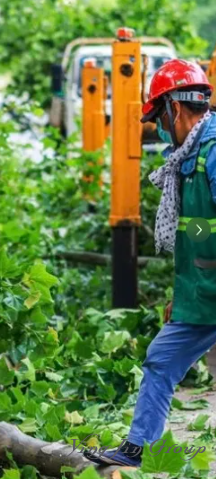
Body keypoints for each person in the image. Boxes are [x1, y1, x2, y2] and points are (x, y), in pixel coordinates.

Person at [85, 59, 216, 467]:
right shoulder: (189, 161)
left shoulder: (212, 153)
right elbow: (200, 231)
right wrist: (186, 295)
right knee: (161, 359)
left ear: (174, 109)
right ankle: (139, 449)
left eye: (158, 118)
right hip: (203, 294)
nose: (157, 130)